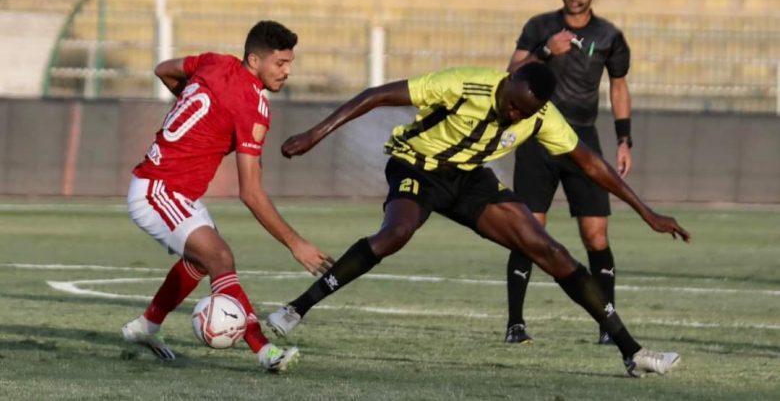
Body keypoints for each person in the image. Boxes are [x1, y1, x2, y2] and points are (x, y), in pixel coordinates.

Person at [265, 62, 691, 377]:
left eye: (524, 114)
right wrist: (313, 134)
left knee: (549, 250)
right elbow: (375, 95)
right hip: (417, 166)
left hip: (469, 180)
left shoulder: (540, 115)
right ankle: (297, 308)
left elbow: (590, 164)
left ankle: (632, 352)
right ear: (509, 83)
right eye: (512, 107)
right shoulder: (466, 84)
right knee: (396, 233)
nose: (515, 117)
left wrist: (645, 211)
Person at [121, 20, 333, 373]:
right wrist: (295, 243)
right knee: (220, 256)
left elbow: (163, 70)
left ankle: (147, 326)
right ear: (255, 60)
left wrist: (198, 107)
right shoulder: (252, 105)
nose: (287, 71)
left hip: (171, 190)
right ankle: (265, 352)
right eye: (280, 63)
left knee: (206, 261)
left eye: (290, 63)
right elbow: (250, 192)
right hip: (158, 189)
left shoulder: (214, 62)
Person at [504, 0, 634, 346]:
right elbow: (512, 72)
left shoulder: (609, 35)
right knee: (528, 230)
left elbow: (619, 87)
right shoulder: (539, 27)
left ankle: (607, 327)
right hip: (537, 137)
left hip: (582, 140)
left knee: (595, 235)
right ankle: (515, 324)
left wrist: (624, 139)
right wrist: (545, 50)